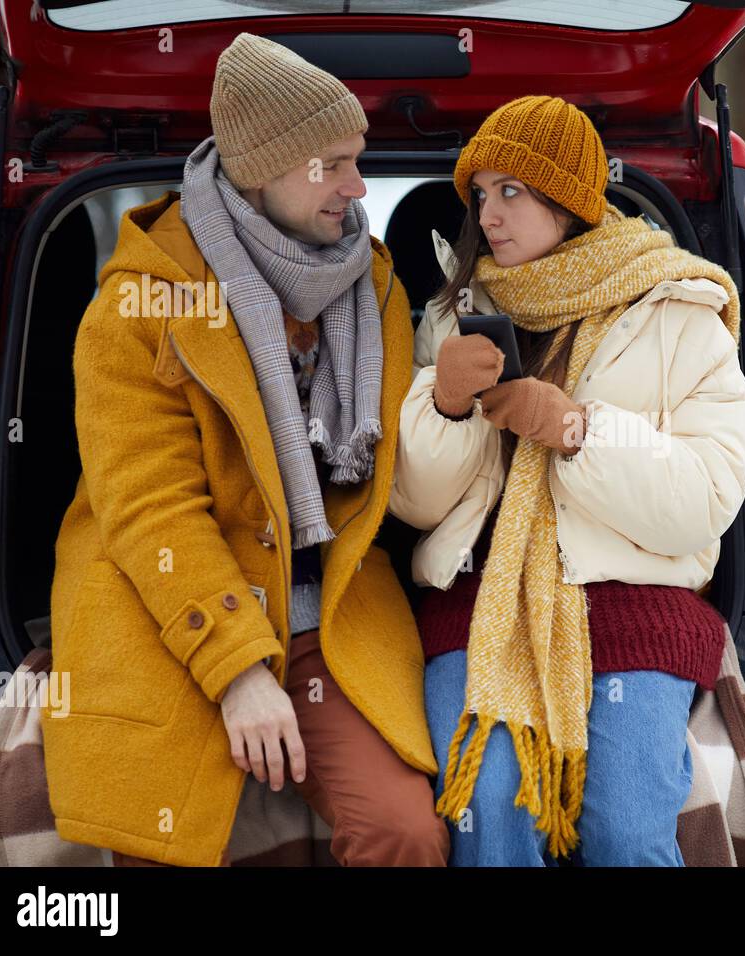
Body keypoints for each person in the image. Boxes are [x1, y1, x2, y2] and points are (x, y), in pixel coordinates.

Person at [43, 33, 447, 867]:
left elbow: (392, 475)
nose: (358, 186)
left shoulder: (373, 285)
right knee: (159, 837)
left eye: (358, 159)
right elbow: (151, 507)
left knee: (404, 831)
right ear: (265, 170)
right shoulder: (139, 304)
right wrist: (237, 671)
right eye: (332, 164)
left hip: (326, 610)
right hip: (176, 603)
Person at [388, 95, 745, 865]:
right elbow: (413, 505)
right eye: (480, 194)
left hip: (634, 606)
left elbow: (705, 501)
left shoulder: (677, 308)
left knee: (624, 830)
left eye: (512, 191)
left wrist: (576, 433)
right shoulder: (456, 314)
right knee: (488, 811)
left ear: (571, 201)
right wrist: (445, 405)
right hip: (482, 604)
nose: (490, 214)